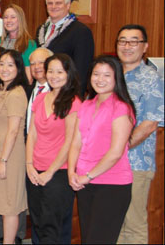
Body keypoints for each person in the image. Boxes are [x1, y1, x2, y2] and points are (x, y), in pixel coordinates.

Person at [68, 55, 135, 244]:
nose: (100, 79)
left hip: (111, 184)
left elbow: (115, 153)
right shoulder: (87, 104)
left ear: (116, 79)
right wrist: (72, 172)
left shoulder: (121, 108)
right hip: (84, 183)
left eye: (107, 75)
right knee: (88, 238)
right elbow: (75, 143)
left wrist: (87, 176)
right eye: (96, 74)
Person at [115, 25, 164, 244]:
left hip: (134, 163)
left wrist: (119, 149)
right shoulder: (111, 74)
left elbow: (150, 124)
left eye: (133, 41)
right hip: (108, 164)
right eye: (122, 41)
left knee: (133, 224)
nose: (127, 46)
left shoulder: (151, 78)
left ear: (145, 47)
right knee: (114, 223)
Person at [25, 53, 80, 243]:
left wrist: (50, 172)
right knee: (38, 222)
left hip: (58, 172)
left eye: (60, 71)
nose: (54, 76)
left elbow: (70, 142)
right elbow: (31, 134)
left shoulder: (74, 102)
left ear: (69, 74)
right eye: (50, 71)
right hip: (34, 168)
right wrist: (29, 165)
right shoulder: (40, 99)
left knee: (52, 226)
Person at [0, 49, 29, 245]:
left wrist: (3, 160)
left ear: (18, 69)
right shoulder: (2, 90)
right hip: (2, 154)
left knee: (10, 205)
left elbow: (13, 131)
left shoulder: (16, 93)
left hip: (10, 156)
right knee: (4, 203)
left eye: (10, 65)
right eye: (2, 64)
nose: (4, 68)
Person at [36, 0, 94, 93]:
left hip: (66, 93)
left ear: (68, 6)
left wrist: (75, 98)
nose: (53, 7)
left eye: (58, 3)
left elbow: (81, 71)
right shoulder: (41, 30)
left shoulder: (81, 31)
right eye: (50, 3)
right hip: (43, 92)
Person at [0, 4, 37, 83]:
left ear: (20, 20)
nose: (8, 20)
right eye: (6, 17)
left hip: (18, 88)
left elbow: (29, 77)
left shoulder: (28, 44)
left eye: (13, 17)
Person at [26, 48, 54, 131]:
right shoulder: (25, 91)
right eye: (32, 64)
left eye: (41, 62)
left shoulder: (59, 92)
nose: (36, 67)